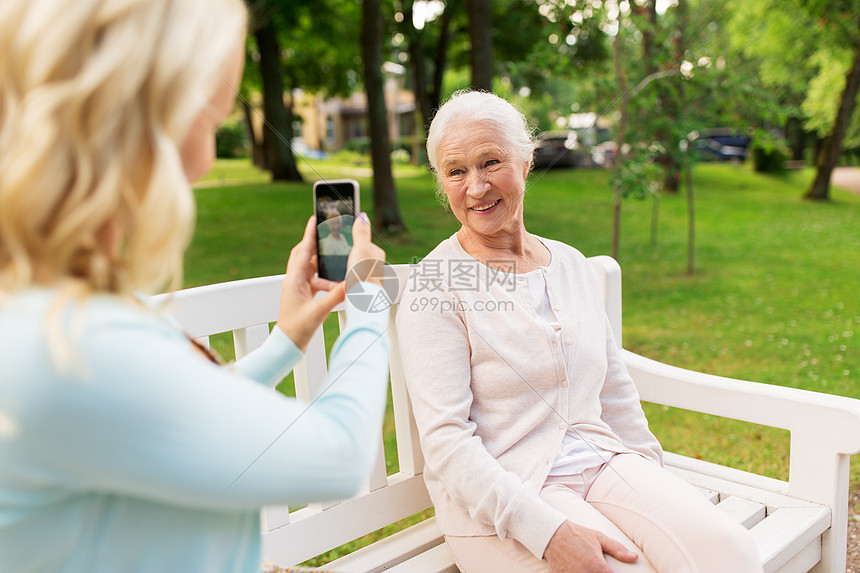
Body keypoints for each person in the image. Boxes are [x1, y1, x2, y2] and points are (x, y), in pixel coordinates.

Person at [0, 1, 389, 572]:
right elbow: (341, 455)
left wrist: (287, 339)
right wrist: (369, 299)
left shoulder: (50, 302)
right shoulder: (74, 346)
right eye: (211, 121)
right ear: (147, 118)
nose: (207, 160)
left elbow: (160, 409)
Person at [396, 90, 762, 573]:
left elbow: (614, 390)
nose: (477, 187)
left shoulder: (569, 263)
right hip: (503, 498)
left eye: (491, 162)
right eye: (456, 171)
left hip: (601, 460)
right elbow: (446, 443)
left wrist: (652, 482)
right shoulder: (435, 285)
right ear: (442, 183)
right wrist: (547, 533)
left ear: (526, 162)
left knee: (728, 552)